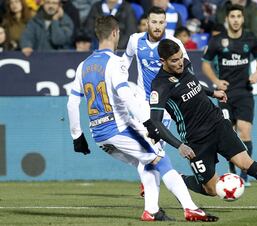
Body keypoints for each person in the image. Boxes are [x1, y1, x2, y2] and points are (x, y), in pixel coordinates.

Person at [67, 15, 218, 222]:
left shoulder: (82, 66)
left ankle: (152, 210)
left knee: (147, 162)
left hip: (99, 135)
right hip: (119, 129)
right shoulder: (115, 63)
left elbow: (72, 103)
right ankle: (190, 208)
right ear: (115, 33)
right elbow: (126, 96)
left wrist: (77, 136)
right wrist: (149, 123)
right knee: (161, 159)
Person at [145, 38, 257, 213]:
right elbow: (155, 121)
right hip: (195, 139)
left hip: (218, 124)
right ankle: (178, 179)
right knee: (211, 190)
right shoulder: (160, 86)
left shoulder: (185, 63)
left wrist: (212, 92)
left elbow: (192, 84)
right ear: (163, 61)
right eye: (174, 60)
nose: (179, 63)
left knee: (247, 163)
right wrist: (180, 145)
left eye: (179, 57)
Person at [123, 6, 188, 197]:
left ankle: (149, 181)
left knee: (156, 144)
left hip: (165, 104)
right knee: (147, 143)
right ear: (147, 23)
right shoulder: (135, 40)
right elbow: (125, 62)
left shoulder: (174, 43)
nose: (157, 26)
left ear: (165, 23)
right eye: (154, 22)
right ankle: (148, 182)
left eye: (161, 22)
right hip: (142, 102)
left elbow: (185, 69)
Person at [203, 4, 257, 186]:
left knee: (245, 132)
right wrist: (216, 80)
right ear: (227, 19)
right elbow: (205, 64)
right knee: (229, 134)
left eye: (239, 16)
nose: (236, 19)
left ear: (243, 19)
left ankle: (245, 175)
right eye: (233, 16)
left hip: (244, 93)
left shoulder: (250, 39)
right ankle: (232, 173)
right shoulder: (217, 41)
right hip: (225, 95)